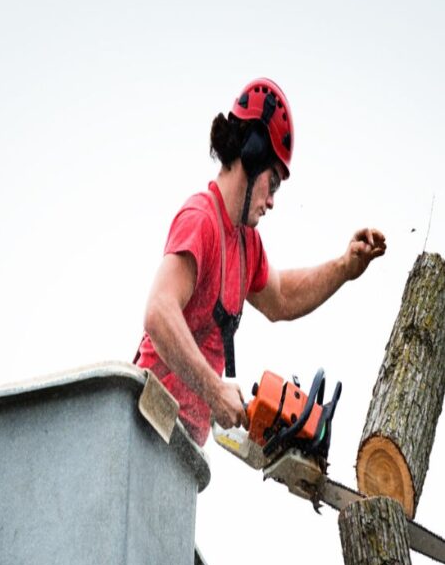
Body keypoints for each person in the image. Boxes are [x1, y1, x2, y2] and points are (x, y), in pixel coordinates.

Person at [135, 77, 386, 446]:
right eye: (274, 182)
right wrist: (214, 388)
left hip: (183, 444)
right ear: (251, 155)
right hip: (145, 425)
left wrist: (344, 267)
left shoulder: (246, 243)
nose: (272, 201)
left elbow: (281, 297)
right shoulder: (201, 219)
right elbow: (158, 311)